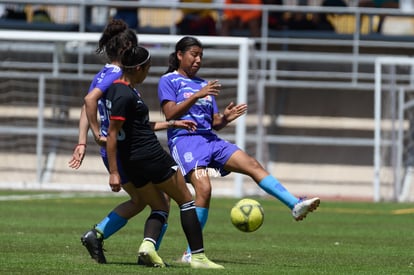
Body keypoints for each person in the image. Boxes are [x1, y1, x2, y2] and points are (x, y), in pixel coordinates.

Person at [157, 36, 321, 263]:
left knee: (252, 164)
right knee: (203, 189)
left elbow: (212, 123)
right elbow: (170, 114)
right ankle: (191, 253)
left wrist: (225, 118)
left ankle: (294, 205)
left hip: (210, 140)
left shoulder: (204, 84)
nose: (198, 59)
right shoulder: (169, 80)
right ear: (179, 55)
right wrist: (197, 95)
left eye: (201, 55)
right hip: (185, 141)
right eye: (194, 54)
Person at [105, 44, 223, 269]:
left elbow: (138, 126)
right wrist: (113, 171)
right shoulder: (125, 94)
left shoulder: (117, 90)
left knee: (160, 205)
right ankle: (197, 257)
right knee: (187, 200)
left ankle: (147, 247)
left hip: (133, 160)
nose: (149, 72)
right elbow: (112, 133)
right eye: (147, 67)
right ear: (138, 68)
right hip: (150, 155)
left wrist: (172, 123)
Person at [68, 19, 167, 264]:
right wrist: (95, 134)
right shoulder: (114, 74)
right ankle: (139, 249)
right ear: (127, 49)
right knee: (158, 202)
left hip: (118, 147)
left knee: (144, 200)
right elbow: (90, 100)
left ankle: (99, 234)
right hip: (121, 149)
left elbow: (86, 103)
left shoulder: (103, 73)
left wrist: (82, 142)